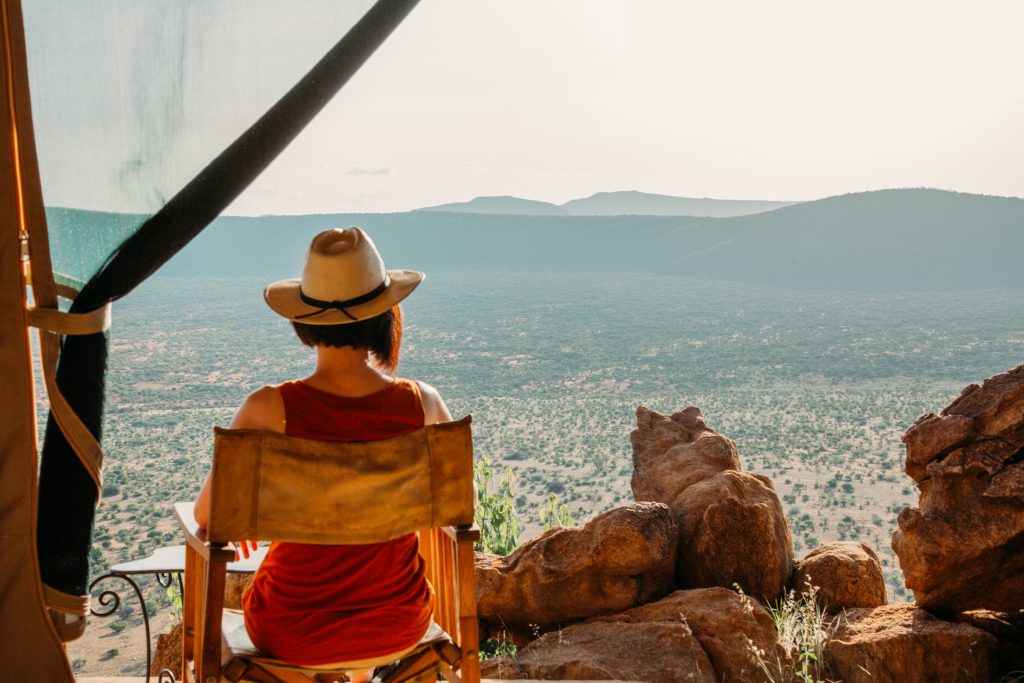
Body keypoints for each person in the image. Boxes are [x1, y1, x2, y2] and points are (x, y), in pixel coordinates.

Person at [194, 227, 452, 683]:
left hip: (290, 630)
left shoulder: (267, 408)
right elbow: (458, 503)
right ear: (384, 316)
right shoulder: (424, 403)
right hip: (400, 623)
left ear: (304, 320)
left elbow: (209, 518)